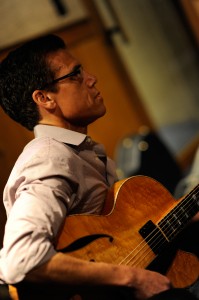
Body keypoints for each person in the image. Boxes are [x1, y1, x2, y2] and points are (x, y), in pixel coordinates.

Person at [0, 34, 198, 300]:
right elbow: (21, 258)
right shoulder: (49, 159)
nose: (92, 78)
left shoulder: (78, 150)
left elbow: (125, 242)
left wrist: (186, 216)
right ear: (45, 98)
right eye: (76, 74)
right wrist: (133, 278)